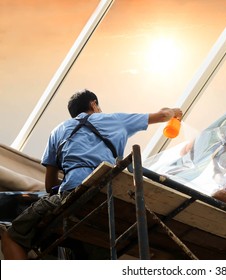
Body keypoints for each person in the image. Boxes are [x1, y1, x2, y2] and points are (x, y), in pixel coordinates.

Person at [0, 89, 182, 259]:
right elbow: (163, 115)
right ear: (94, 104)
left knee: (11, 236)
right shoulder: (115, 120)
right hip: (108, 198)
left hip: (71, 196)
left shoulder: (57, 132)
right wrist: (176, 111)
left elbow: (49, 185)